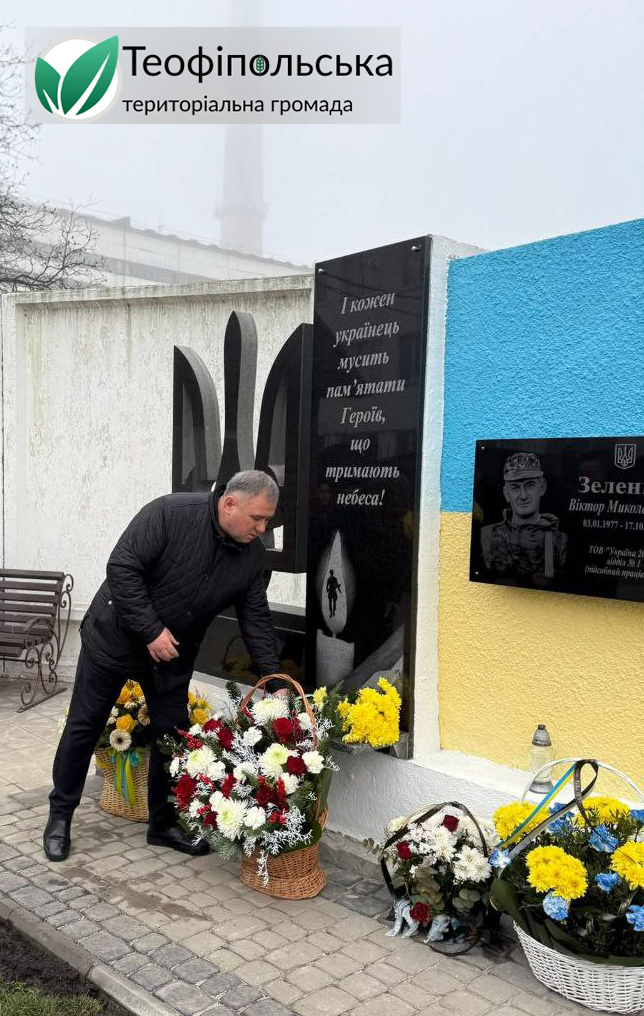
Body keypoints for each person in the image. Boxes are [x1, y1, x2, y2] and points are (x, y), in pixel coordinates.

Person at [44, 470, 284, 862]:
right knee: (85, 725)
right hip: (114, 638)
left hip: (172, 656)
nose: (262, 528)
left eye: (267, 520)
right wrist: (151, 630)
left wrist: (274, 681)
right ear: (229, 503)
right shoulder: (170, 513)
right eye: (257, 518)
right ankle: (60, 816)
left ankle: (163, 824)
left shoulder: (252, 557)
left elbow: (255, 620)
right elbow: (122, 567)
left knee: (171, 736)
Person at [480, 452, 567, 582]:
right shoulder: (488, 535)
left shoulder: (559, 541)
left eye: (530, 485)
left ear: (542, 487)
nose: (523, 496)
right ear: (506, 494)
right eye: (515, 488)